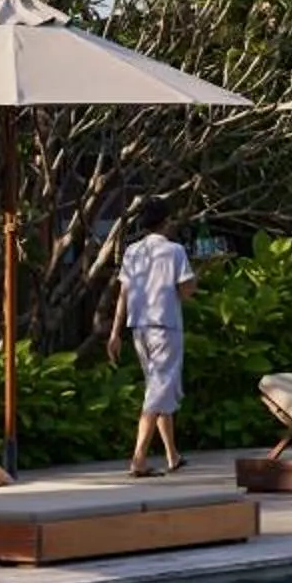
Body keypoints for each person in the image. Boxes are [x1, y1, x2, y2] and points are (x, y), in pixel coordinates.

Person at [106, 202, 197, 475]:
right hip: (165, 327)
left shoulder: (133, 252)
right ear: (166, 222)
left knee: (158, 388)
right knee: (158, 392)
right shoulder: (175, 251)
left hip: (139, 329)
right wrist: (198, 278)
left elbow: (123, 293)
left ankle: (172, 455)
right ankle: (139, 459)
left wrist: (114, 333)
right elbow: (185, 292)